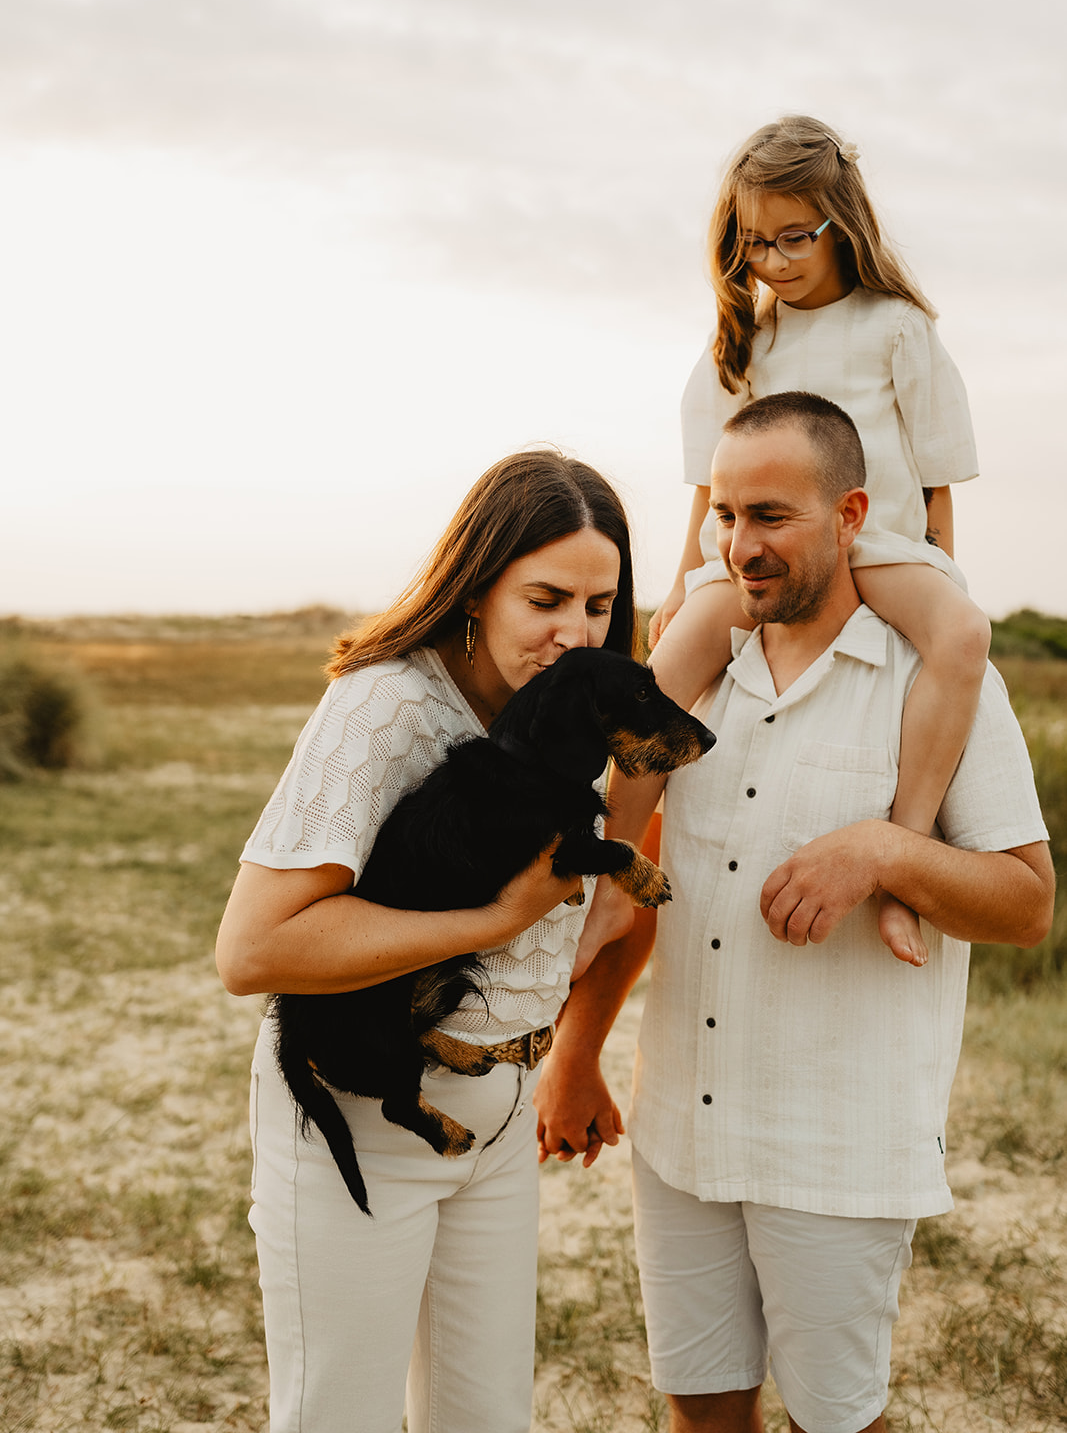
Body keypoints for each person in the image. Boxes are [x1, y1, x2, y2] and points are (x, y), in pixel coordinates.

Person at [535, 394, 1053, 1433]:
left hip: (837, 1146)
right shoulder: (688, 675)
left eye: (769, 515)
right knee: (700, 1415)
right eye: (724, 514)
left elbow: (1025, 901)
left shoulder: (939, 679)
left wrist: (883, 849)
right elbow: (636, 880)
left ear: (852, 513)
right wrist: (578, 1050)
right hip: (680, 1128)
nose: (737, 544)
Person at [215, 449, 637, 1433]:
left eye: (597, 605)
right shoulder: (387, 707)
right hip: (359, 1108)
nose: (574, 635)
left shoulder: (566, 721)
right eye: (545, 599)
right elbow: (252, 949)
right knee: (338, 1420)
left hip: (493, 1119)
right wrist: (495, 919)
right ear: (474, 588)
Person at [581, 116, 991, 970]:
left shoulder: (896, 328)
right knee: (665, 669)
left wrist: (943, 572)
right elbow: (711, 487)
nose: (770, 260)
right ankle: (613, 883)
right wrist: (686, 583)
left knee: (962, 636)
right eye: (752, 243)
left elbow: (932, 477)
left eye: (792, 238)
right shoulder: (746, 338)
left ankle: (902, 855)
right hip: (765, 555)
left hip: (878, 549)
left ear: (842, 223)